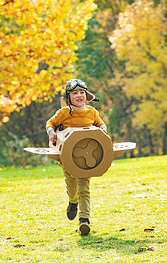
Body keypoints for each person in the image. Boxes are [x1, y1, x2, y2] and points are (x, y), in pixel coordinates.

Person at [46, 79, 107, 235]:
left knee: (84, 188)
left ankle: (84, 220)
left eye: (82, 93)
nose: (79, 96)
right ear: (69, 96)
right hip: (68, 157)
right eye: (75, 93)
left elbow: (100, 124)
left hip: (87, 160)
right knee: (72, 187)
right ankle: (73, 201)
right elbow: (50, 123)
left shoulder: (92, 112)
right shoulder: (64, 113)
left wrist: (103, 130)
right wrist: (51, 132)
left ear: (86, 95)